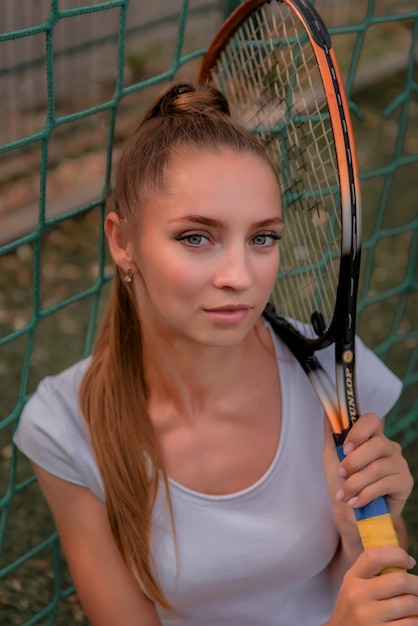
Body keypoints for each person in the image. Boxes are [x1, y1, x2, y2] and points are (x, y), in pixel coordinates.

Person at [14, 83, 418, 626]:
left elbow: (382, 574)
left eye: (262, 238)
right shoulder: (65, 426)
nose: (240, 278)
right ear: (122, 241)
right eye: (196, 238)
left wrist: (361, 533)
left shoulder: (332, 374)